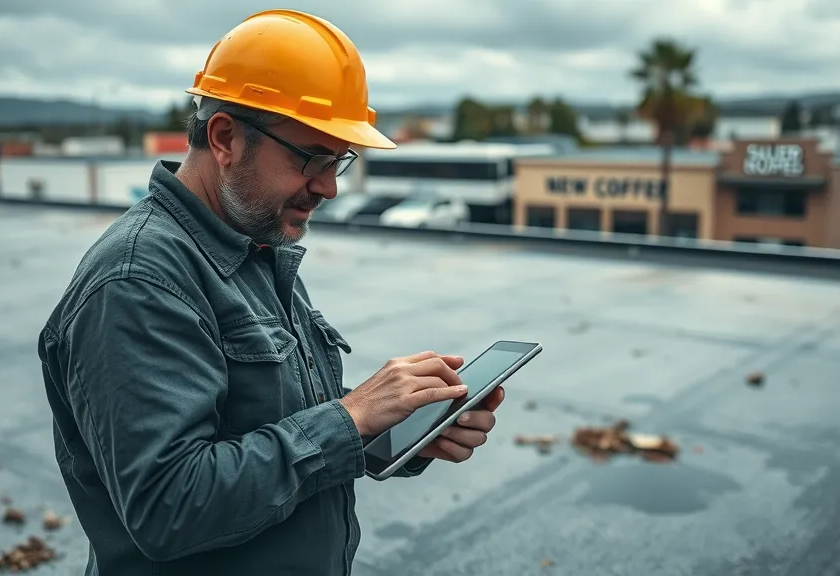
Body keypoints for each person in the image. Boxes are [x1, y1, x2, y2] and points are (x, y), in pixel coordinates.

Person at [37, 9, 505, 576]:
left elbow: (277, 421)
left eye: (339, 160)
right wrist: (351, 416)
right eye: (311, 157)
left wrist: (397, 428)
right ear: (226, 137)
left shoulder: (252, 242)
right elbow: (170, 506)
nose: (329, 187)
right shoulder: (138, 281)